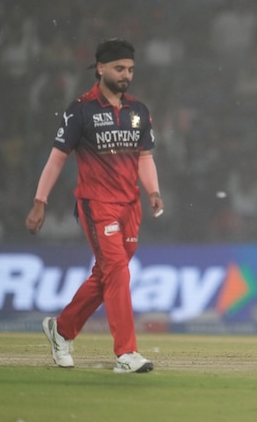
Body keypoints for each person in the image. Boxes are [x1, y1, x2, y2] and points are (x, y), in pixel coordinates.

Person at [25, 39, 164, 374]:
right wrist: (40, 201)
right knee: (117, 269)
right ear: (100, 69)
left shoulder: (138, 110)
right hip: (97, 204)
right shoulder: (81, 110)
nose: (126, 75)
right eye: (119, 68)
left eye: (130, 69)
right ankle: (126, 353)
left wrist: (153, 191)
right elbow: (57, 159)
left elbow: (144, 157)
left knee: (106, 274)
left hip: (130, 206)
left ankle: (62, 329)